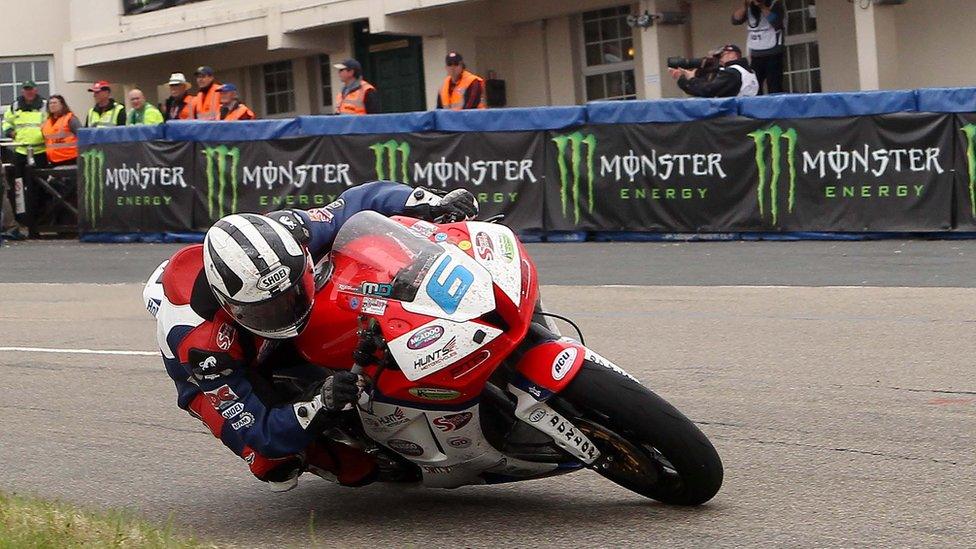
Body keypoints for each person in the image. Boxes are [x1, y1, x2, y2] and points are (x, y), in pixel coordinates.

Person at [152, 182, 478, 491]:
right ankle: (320, 455)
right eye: (268, 310)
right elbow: (260, 430)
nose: (286, 314)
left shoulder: (290, 230)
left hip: (278, 314)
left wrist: (426, 201)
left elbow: (358, 202)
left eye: (292, 294)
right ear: (230, 305)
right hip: (221, 370)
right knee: (279, 462)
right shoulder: (205, 349)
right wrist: (319, 401)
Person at [1, 80, 47, 238]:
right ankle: (22, 220)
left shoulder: (44, 105)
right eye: (26, 89)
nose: (28, 92)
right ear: (23, 91)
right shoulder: (15, 106)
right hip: (21, 150)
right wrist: (10, 133)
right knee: (19, 187)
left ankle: (39, 220)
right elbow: (6, 122)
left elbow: (49, 123)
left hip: (40, 150)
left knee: (40, 187)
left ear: (36, 90)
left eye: (31, 89)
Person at [732, 0, 785, 95]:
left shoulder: (775, 4)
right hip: (756, 54)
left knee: (774, 85)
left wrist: (762, 6)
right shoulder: (750, 7)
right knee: (755, 85)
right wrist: (746, 6)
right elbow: (735, 20)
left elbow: (776, 22)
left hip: (773, 53)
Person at [670, 44, 759, 98]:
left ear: (732, 55)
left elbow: (708, 91)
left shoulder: (732, 72)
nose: (719, 59)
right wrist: (685, 79)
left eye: (721, 55)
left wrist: (690, 79)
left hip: (732, 116)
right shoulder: (748, 71)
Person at [41, 95, 80, 166]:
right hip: (53, 160)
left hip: (70, 159)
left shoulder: (70, 119)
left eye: (55, 103)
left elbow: (81, 136)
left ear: (62, 105)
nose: (52, 105)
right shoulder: (47, 122)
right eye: (50, 103)